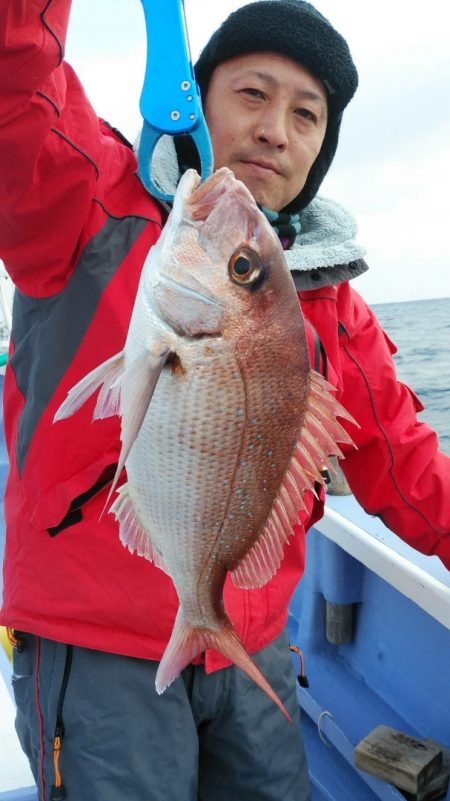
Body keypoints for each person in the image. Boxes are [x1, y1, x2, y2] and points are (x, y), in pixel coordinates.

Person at [0, 2, 449, 800]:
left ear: (321, 147)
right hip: (98, 653)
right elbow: (14, 84)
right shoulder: (86, 203)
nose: (277, 129)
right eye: (252, 93)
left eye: (307, 114)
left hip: (256, 644)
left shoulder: (332, 300)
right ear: (195, 103)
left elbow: (410, 463)